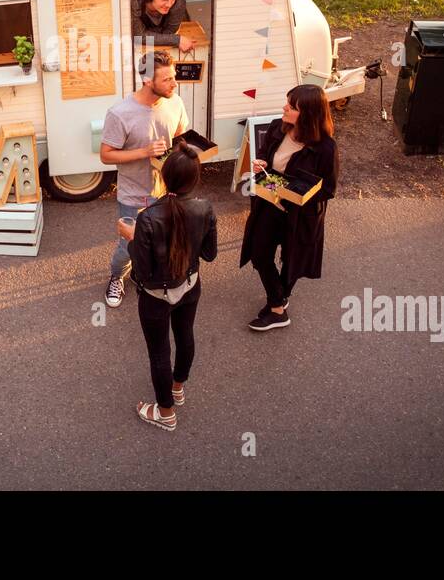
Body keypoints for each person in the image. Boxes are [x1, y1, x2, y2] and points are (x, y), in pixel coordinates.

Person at [117, 142, 217, 432]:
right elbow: (209, 254)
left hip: (156, 297)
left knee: (159, 352)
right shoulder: (205, 208)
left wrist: (132, 238)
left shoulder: (147, 217)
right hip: (190, 286)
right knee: (185, 337)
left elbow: (145, 272)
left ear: (164, 176)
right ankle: (177, 388)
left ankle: (165, 413)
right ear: (195, 179)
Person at [239, 84, 339, 331]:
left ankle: (277, 306)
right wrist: (260, 163)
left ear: (308, 114)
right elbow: (264, 153)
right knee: (260, 254)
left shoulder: (326, 149)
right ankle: (278, 303)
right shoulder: (277, 127)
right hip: (269, 205)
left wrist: (298, 194)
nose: (284, 108)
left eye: (292, 107)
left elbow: (329, 189)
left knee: (292, 260)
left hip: (300, 215)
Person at [99, 50, 189, 308]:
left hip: (168, 191)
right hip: (133, 193)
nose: (174, 84)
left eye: (174, 77)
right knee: (129, 244)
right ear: (148, 81)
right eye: (167, 79)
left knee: (165, 239)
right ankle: (117, 277)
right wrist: (145, 152)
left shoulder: (175, 102)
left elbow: (180, 136)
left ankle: (153, 275)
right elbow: (106, 156)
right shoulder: (120, 113)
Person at [130, 0, 195, 52]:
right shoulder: (134, 0)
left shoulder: (178, 1)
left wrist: (167, 39)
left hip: (162, 30)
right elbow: (139, 36)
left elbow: (169, 33)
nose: (169, 4)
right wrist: (177, 40)